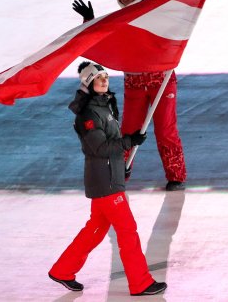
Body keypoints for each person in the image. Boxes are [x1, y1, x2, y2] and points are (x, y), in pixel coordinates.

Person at [48, 61, 167, 296]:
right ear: (88, 82)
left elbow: (108, 150)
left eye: (105, 76)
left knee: (96, 228)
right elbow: (99, 148)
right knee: (127, 229)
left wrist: (123, 163)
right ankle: (140, 282)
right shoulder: (88, 114)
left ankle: (63, 270)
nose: (104, 80)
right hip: (104, 182)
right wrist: (128, 141)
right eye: (98, 77)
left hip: (108, 178)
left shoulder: (105, 108)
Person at [72, 0, 187, 191]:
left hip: (161, 81)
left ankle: (176, 176)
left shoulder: (155, 10)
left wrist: (166, 10)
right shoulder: (121, 20)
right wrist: (89, 20)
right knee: (127, 132)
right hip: (134, 84)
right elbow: (102, 39)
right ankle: (118, 174)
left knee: (165, 130)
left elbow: (174, 29)